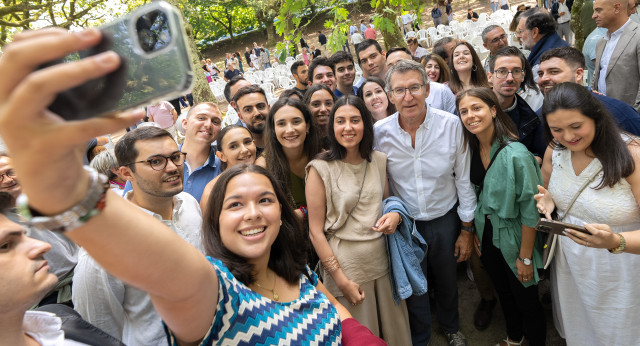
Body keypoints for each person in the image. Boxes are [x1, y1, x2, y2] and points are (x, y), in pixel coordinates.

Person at [0, 27, 388, 345]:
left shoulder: (294, 268)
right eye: (234, 205)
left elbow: (335, 314)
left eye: (265, 199)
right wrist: (59, 180)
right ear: (213, 223)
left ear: (282, 212)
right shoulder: (213, 293)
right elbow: (159, 263)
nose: (253, 212)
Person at [374, 60, 476, 346]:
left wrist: (467, 229)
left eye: (415, 88)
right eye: (400, 90)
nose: (408, 97)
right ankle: (420, 337)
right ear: (390, 95)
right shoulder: (380, 133)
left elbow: (463, 179)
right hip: (406, 224)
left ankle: (451, 327)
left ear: (428, 89)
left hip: (445, 218)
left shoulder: (452, 125)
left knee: (447, 280)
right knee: (414, 286)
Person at [73, 127, 204, 345]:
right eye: (156, 161)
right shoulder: (103, 250)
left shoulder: (188, 204)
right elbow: (99, 330)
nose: (172, 167)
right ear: (126, 173)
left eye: (175, 157)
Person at [534, 83, 640, 345]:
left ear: (595, 116)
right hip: (571, 263)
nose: (567, 137)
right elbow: (549, 190)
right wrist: (548, 201)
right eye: (556, 129)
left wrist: (616, 242)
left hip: (622, 269)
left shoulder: (632, 154)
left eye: (576, 126)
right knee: (580, 326)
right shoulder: (554, 150)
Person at [306, 95, 412, 345]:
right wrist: (341, 281)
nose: (348, 127)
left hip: (384, 263)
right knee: (362, 335)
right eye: (340, 121)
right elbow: (315, 232)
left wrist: (395, 216)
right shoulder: (320, 168)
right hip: (348, 269)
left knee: (395, 331)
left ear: (365, 124)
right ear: (332, 127)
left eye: (355, 120)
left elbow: (387, 203)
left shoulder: (378, 160)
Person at [457, 88, 547, 346]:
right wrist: (476, 231)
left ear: (493, 110)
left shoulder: (516, 154)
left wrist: (526, 257)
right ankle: (514, 338)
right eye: (464, 111)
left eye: (477, 108)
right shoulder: (473, 148)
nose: (470, 116)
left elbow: (531, 212)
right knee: (505, 294)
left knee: (527, 301)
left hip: (517, 239)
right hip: (487, 235)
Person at [538, 47, 640, 135]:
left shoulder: (618, 112)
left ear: (578, 74)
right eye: (540, 74)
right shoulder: (537, 118)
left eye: (554, 72)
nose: (543, 79)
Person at [256, 98, 322, 222]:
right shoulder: (264, 166)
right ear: (273, 130)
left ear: (307, 126)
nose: (290, 130)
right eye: (281, 124)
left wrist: (303, 212)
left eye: (296, 122)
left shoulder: (322, 156)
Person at [487, 46, 546, 161]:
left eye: (516, 71)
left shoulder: (530, 119)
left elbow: (535, 152)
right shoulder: (472, 110)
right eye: (502, 71)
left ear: (523, 76)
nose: (510, 78)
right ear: (490, 77)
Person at [592, 0, 640, 112]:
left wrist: (633, 116)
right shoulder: (601, 42)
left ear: (617, 8)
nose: (593, 15)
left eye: (598, 10)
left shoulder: (637, 36)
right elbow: (597, 79)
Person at [200, 125, 257, 212]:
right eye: (233, 146)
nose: (244, 150)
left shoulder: (265, 174)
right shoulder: (213, 191)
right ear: (221, 156)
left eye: (247, 142)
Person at [386, 48, 458, 114]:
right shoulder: (385, 98)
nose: (408, 98)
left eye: (400, 63)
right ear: (390, 97)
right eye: (391, 66)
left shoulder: (441, 90)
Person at [517, 8, 569, 81]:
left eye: (520, 31)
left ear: (534, 32)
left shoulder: (540, 66)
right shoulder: (557, 42)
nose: (518, 36)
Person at [233, 85, 270, 153]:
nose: (257, 113)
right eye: (248, 110)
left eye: (261, 106)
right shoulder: (243, 153)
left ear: (269, 108)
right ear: (241, 117)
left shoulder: (286, 137)